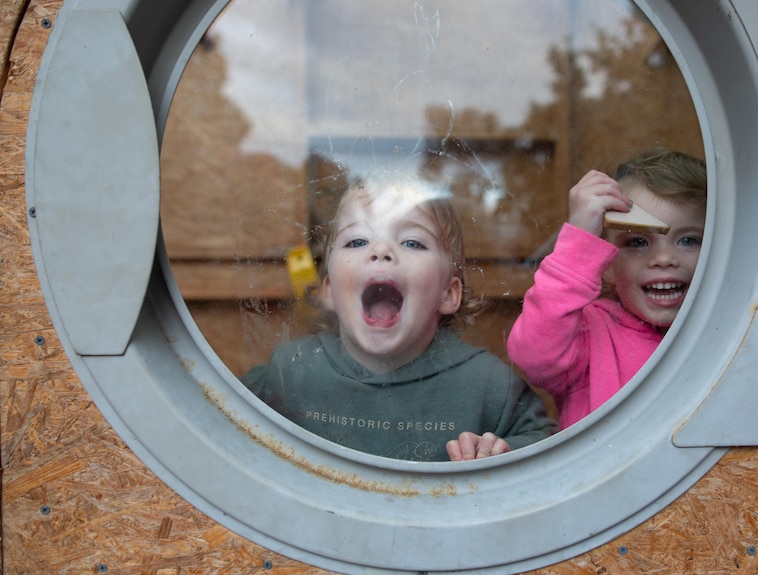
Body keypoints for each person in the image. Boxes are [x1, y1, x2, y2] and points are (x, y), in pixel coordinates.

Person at [242, 172, 556, 461]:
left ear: (448, 294)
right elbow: (214, 419)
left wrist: (501, 453)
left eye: (411, 242)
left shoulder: (489, 386)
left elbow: (555, 450)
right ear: (329, 291)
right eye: (357, 241)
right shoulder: (289, 372)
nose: (381, 250)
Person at [507, 149, 707, 429]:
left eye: (688, 240)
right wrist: (580, 241)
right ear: (608, 264)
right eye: (637, 243)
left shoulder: (729, 328)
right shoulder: (588, 333)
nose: (664, 259)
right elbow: (534, 355)